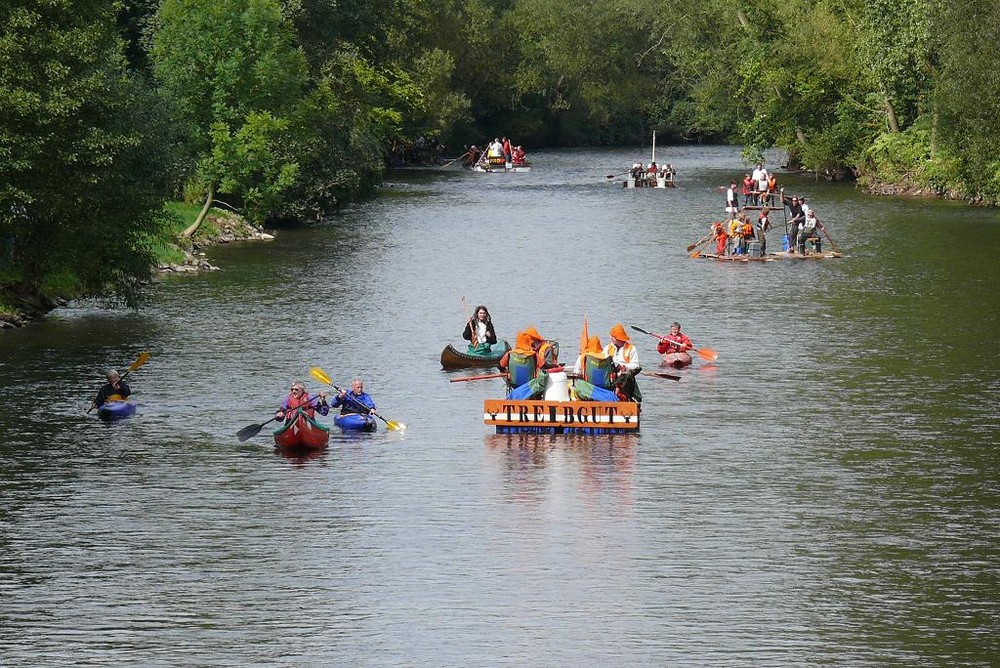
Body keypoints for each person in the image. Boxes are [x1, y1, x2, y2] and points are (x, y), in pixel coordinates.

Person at [604, 323, 641, 401]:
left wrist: (623, 367)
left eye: (613, 337)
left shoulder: (631, 348)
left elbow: (636, 365)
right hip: (610, 376)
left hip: (625, 378)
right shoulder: (607, 348)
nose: (610, 338)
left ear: (619, 338)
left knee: (625, 377)